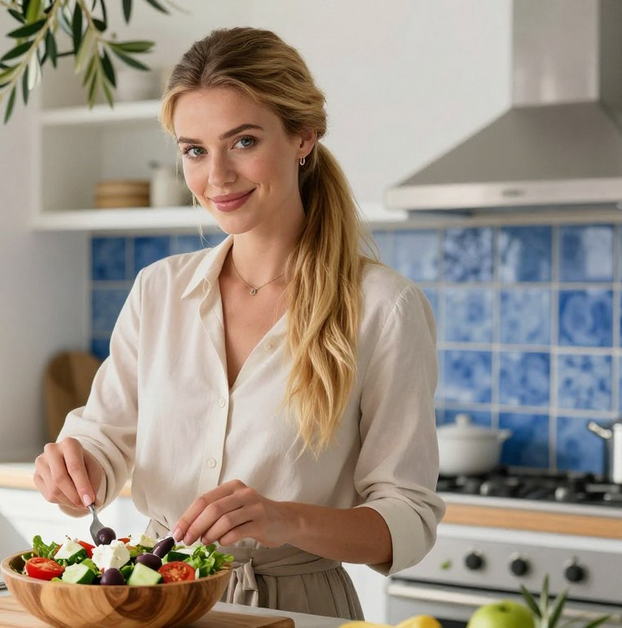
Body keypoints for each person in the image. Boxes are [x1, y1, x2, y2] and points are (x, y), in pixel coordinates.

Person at [32, 26, 443, 620]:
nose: (216, 176)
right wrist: (76, 465)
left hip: (298, 610)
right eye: (194, 149)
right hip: (157, 596)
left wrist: (286, 519)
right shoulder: (159, 290)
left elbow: (409, 518)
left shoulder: (383, 307)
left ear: (303, 137)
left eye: (243, 141)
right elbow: (105, 435)